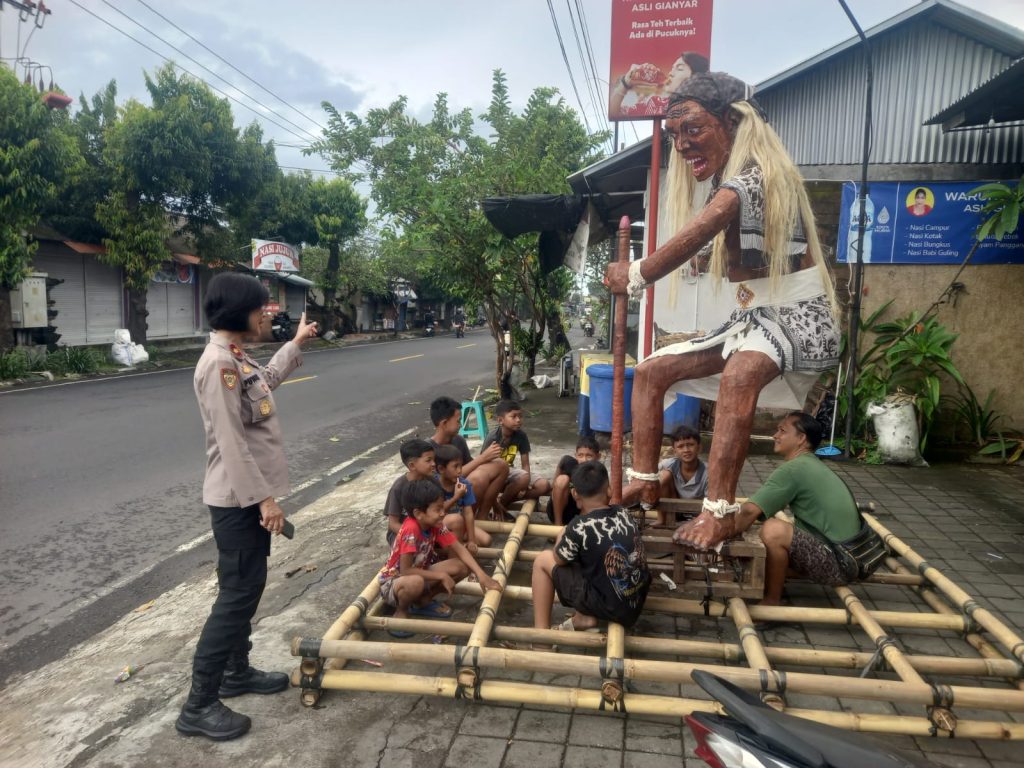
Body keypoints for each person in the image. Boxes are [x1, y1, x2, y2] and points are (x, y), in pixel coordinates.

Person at [608, 72, 840, 547]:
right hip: (753, 319)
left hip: (800, 317)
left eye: (693, 129)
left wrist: (633, 274)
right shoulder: (732, 181)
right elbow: (716, 243)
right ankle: (647, 480)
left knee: (738, 376)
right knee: (652, 371)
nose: (684, 144)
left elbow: (702, 228)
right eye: (675, 136)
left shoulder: (753, 177)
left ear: (731, 121)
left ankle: (717, 511)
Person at [178, 272, 319, 741]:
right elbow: (232, 442)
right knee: (236, 596)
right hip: (239, 500)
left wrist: (296, 342)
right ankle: (198, 704)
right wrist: (265, 501)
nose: (266, 313)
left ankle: (236, 672)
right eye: (261, 306)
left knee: (246, 589)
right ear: (239, 310)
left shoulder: (235, 357)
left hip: (246, 499)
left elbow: (266, 383)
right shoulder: (217, 364)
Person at [676, 412, 861, 610]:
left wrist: (719, 531)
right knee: (771, 525)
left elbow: (748, 513)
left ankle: (773, 600)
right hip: (852, 555)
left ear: (801, 439)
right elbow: (761, 507)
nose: (775, 435)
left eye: (782, 430)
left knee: (772, 529)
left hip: (841, 562)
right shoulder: (809, 464)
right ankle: (777, 573)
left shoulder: (793, 469)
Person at [532, 462, 650, 641]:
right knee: (589, 555)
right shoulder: (623, 512)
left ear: (575, 494)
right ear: (609, 491)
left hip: (611, 607)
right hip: (635, 604)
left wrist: (561, 536)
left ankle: (541, 639)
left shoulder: (578, 527)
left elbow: (559, 559)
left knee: (543, 560)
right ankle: (583, 617)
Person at [379, 480, 502, 636]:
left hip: (419, 573)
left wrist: (481, 575)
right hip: (394, 582)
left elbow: (459, 549)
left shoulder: (435, 525)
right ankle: (401, 611)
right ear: (419, 513)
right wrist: (441, 575)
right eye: (437, 509)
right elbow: (406, 571)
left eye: (442, 507)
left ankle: (424, 600)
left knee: (460, 566)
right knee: (415, 582)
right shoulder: (410, 529)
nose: (443, 513)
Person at [428, 396, 509, 520]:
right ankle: (465, 520)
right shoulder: (427, 450)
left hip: (463, 489)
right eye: (458, 421)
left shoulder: (458, 440)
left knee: (500, 464)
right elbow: (437, 481)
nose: (461, 425)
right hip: (445, 501)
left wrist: (495, 503)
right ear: (444, 423)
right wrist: (482, 458)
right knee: (478, 478)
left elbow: (470, 468)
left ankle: (482, 515)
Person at [383, 439, 467, 548]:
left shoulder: (432, 481)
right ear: (412, 465)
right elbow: (393, 524)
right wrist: (416, 535)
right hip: (405, 532)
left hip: (429, 525)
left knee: (456, 521)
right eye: (428, 460)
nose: (433, 464)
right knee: (413, 548)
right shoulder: (398, 487)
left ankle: (451, 557)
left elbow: (440, 509)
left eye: (434, 460)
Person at [482, 399, 552, 516]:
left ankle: (503, 502)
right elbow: (483, 464)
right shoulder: (493, 438)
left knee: (543, 485)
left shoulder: (521, 436)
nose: (518, 420)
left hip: (511, 472)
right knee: (523, 478)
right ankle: (500, 507)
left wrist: (525, 486)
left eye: (520, 416)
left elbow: (525, 463)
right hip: (495, 474)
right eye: (513, 417)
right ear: (500, 420)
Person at [610, 52, 710, 119]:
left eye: (679, 68)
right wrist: (625, 83)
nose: (670, 73)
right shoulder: (657, 105)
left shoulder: (705, 112)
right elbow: (614, 113)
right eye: (672, 68)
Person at [434, 443, 492, 553]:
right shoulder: (433, 485)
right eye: (455, 466)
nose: (460, 471)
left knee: (486, 540)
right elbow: (437, 512)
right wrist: (456, 497)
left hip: (459, 526)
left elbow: (468, 513)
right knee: (455, 523)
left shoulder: (464, 484)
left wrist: (472, 540)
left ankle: (459, 545)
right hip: (438, 526)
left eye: (460, 466)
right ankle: (455, 549)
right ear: (441, 469)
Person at [655, 425, 708, 526]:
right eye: (680, 446)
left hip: (699, 515)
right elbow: (648, 477)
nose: (686, 450)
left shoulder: (707, 472)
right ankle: (661, 519)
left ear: (699, 448)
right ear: (674, 451)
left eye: (690, 445)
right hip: (674, 511)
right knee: (664, 475)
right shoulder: (669, 464)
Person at [546, 435, 602, 526]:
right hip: (561, 511)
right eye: (580, 455)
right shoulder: (569, 463)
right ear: (576, 455)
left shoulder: (599, 473)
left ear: (598, 456)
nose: (584, 460)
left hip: (583, 515)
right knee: (562, 480)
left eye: (589, 456)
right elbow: (555, 482)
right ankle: (557, 524)